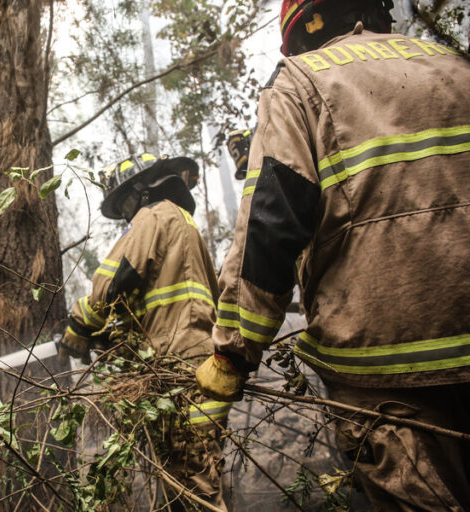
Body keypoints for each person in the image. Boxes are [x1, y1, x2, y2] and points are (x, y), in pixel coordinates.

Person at [196, 0, 470, 509]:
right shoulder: (454, 65)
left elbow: (270, 225)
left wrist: (231, 354)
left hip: (387, 370)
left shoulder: (300, 83)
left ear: (301, 33)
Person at [57, 153, 230, 511]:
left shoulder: (152, 216)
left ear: (144, 188)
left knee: (192, 492)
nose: (126, 214)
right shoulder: (185, 225)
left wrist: (80, 323)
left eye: (126, 203)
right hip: (203, 365)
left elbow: (112, 284)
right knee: (200, 476)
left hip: (174, 368)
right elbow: (161, 302)